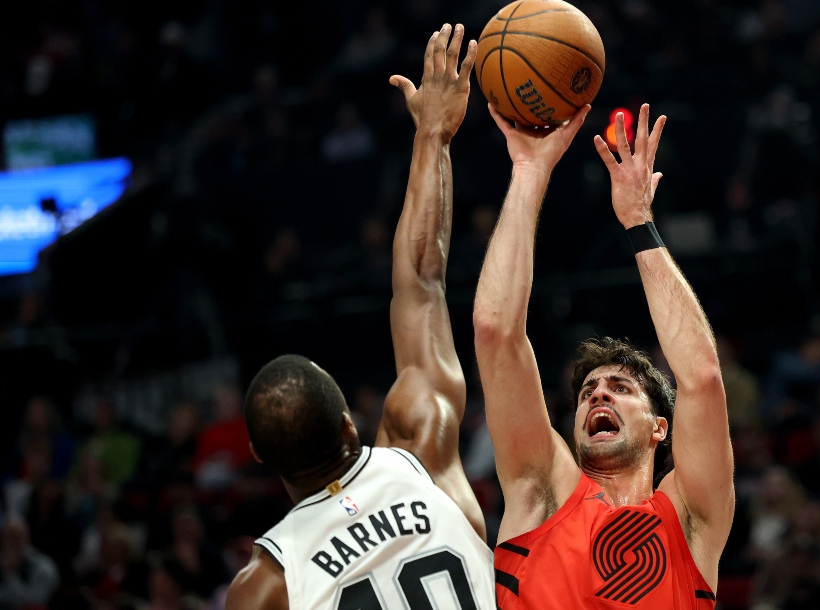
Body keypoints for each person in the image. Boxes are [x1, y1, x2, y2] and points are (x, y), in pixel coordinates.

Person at [226, 25, 495, 610]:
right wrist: (433, 135)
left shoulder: (265, 586)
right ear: (349, 423)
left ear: (259, 456)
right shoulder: (421, 444)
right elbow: (421, 282)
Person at [474, 104, 735, 608]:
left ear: (661, 427)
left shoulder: (690, 516)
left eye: (621, 388)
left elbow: (701, 377)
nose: (598, 394)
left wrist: (639, 222)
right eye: (590, 391)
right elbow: (496, 332)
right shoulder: (541, 490)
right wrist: (530, 172)